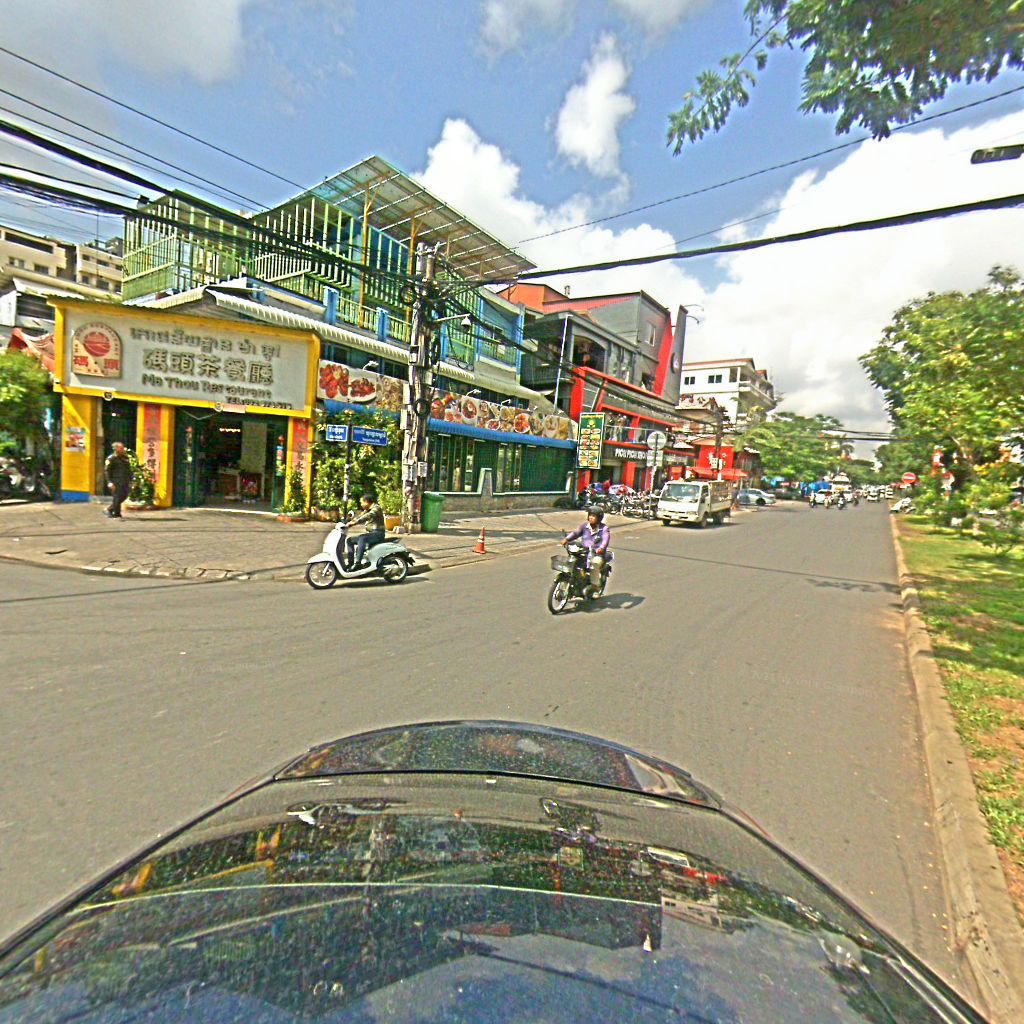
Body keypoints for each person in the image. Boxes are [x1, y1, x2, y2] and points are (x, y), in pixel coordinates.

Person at [562, 508, 611, 595]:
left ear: (599, 518)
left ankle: (595, 587)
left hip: (597, 554)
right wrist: (567, 539)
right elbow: (575, 533)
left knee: (594, 565)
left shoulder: (604, 528)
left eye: (593, 516)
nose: (591, 517)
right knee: (573, 562)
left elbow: (605, 540)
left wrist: (601, 548)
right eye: (590, 515)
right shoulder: (584, 526)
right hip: (584, 551)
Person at [346, 492, 386, 569]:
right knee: (349, 540)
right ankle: (350, 563)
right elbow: (360, 516)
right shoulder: (367, 510)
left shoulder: (376, 508)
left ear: (366, 502)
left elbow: (368, 516)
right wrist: (349, 522)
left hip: (378, 533)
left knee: (362, 538)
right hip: (371, 533)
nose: (361, 504)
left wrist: (355, 523)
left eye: (361, 502)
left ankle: (358, 563)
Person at [104, 442, 132, 518]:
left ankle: (110, 509)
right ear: (116, 449)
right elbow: (107, 471)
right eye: (121, 448)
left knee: (124, 495)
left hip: (125, 480)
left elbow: (128, 470)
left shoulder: (125, 458)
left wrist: (131, 479)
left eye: (123, 448)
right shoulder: (111, 458)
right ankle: (116, 513)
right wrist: (109, 482)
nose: (123, 449)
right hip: (116, 481)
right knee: (117, 497)